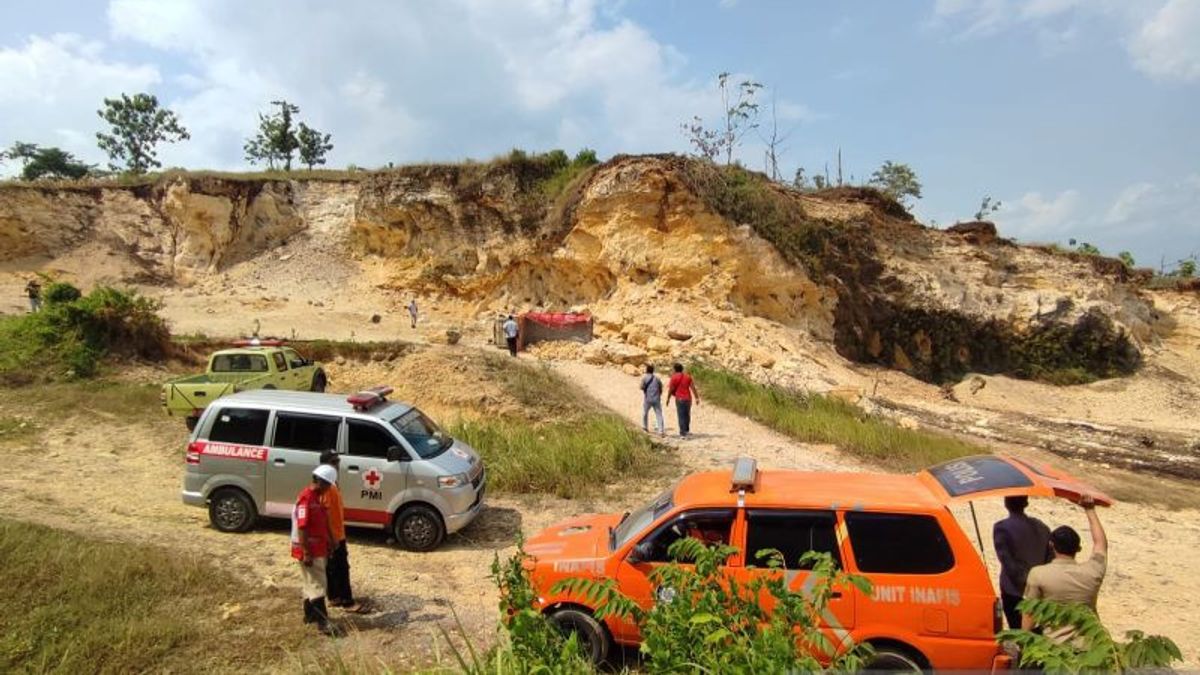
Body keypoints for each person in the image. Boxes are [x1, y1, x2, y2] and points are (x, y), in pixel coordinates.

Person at [1022, 495, 1108, 642]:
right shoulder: (1093, 571)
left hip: (1055, 646)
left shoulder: (1038, 574)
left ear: (1051, 545)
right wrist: (1090, 510)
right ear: (1079, 548)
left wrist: (1024, 641)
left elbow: (1030, 612)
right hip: (1091, 645)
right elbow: (1100, 544)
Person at [292, 464, 339, 635]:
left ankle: (310, 615)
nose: (328, 489)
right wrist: (306, 552)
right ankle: (323, 622)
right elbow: (302, 527)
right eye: (327, 484)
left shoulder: (316, 498)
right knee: (318, 584)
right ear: (319, 481)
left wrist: (330, 541)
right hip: (310, 550)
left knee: (310, 583)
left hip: (318, 547)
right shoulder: (306, 499)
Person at [318, 451, 367, 614]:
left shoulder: (331, 483)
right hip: (334, 535)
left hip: (335, 533)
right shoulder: (328, 487)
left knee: (332, 566)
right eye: (334, 461)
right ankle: (347, 602)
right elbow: (324, 513)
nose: (338, 464)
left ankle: (334, 597)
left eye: (338, 460)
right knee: (341, 567)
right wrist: (332, 538)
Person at [993, 495, 1052, 629]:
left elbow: (1007, 561)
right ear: (1026, 502)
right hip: (1040, 588)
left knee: (1018, 631)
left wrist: (1025, 583)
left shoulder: (1001, 528)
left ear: (1006, 503)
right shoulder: (1042, 526)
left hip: (1014, 590)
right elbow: (1050, 557)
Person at [665, 363, 700, 438]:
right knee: (687, 415)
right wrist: (696, 398)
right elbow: (693, 388)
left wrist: (668, 398)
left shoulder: (674, 377)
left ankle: (682, 433)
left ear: (675, 369)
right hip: (688, 398)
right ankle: (687, 430)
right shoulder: (688, 377)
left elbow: (671, 389)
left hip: (680, 398)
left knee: (681, 415)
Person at [640, 364, 665, 435]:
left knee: (645, 413)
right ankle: (661, 431)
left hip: (648, 398)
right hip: (656, 398)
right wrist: (659, 394)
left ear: (647, 370)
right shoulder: (657, 378)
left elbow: (641, 387)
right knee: (659, 414)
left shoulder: (644, 378)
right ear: (653, 371)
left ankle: (645, 427)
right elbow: (660, 387)